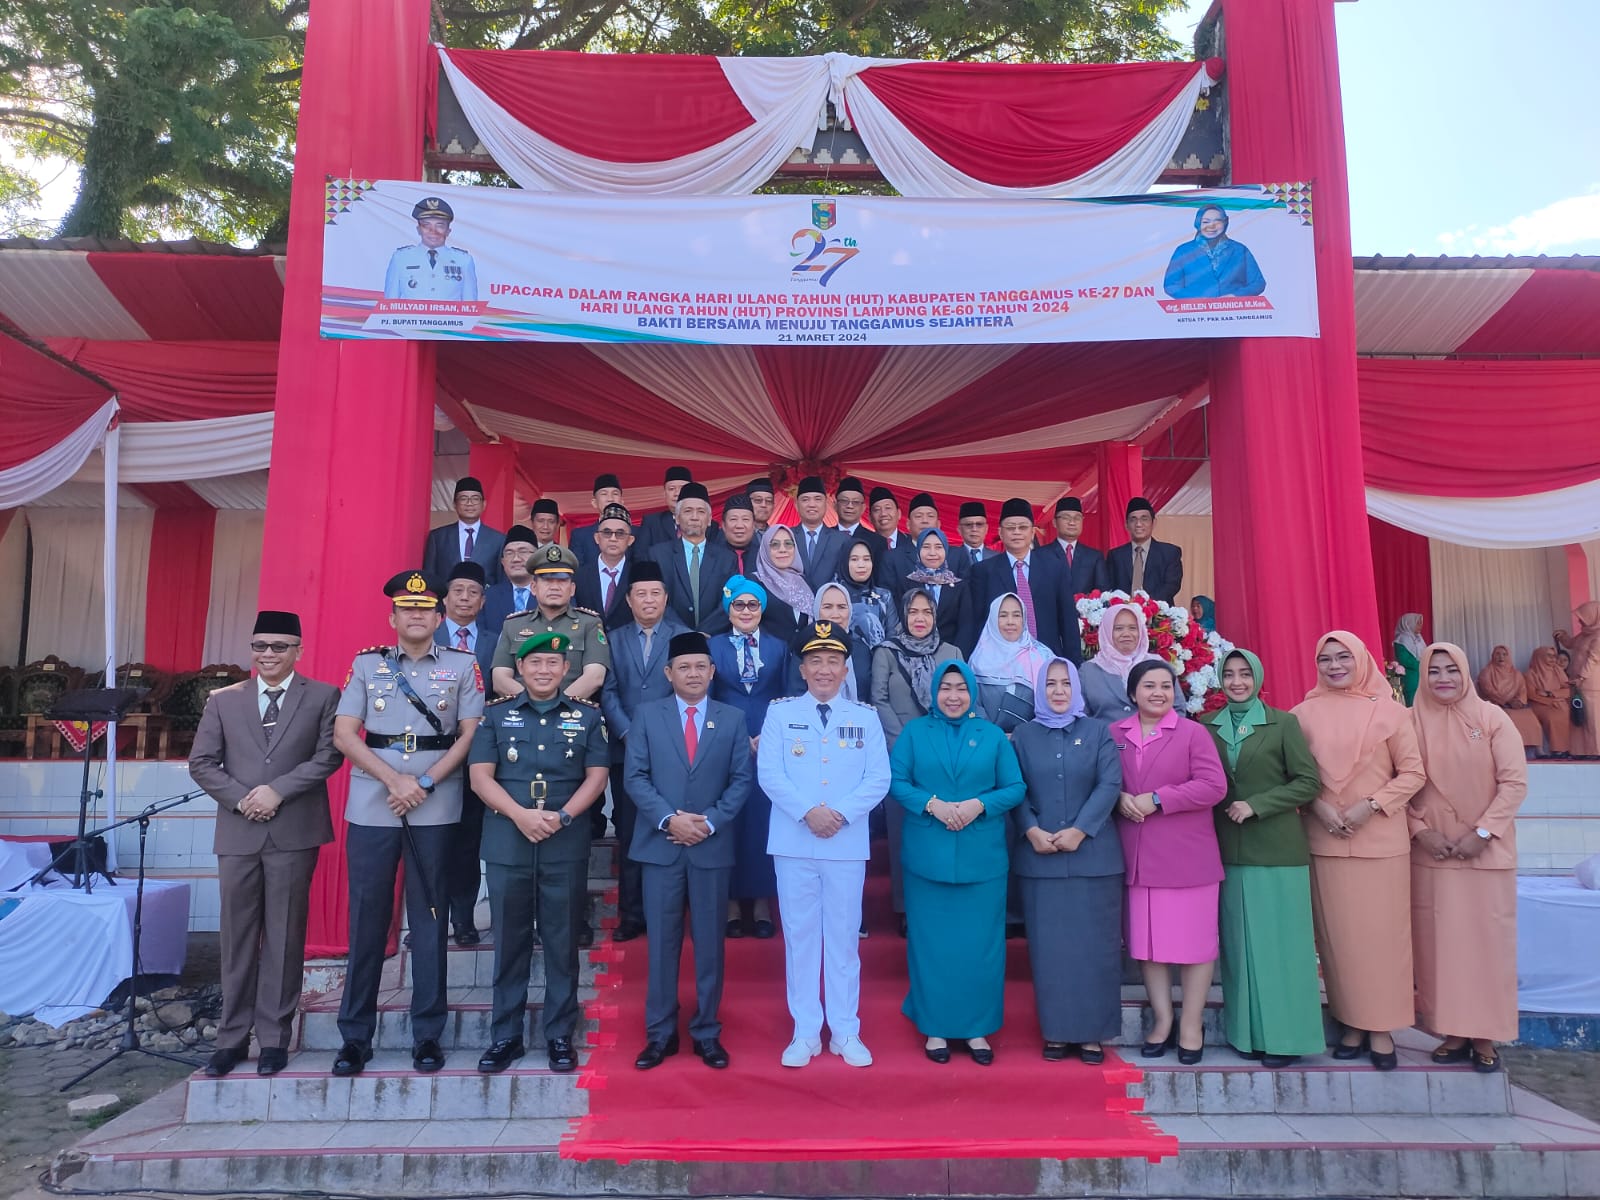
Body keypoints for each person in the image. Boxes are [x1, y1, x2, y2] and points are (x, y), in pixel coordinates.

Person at [330, 571, 485, 1077]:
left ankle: (427, 1035)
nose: (416, 615)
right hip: (375, 801)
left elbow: (468, 736)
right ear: (392, 617)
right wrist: (395, 780)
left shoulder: (463, 666)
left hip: (434, 804)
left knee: (430, 921)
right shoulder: (365, 664)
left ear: (440, 618)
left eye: (426, 608)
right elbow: (345, 734)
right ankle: (355, 1037)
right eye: (406, 608)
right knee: (368, 920)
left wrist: (424, 784)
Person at [189, 610, 342, 1077]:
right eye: (260, 646)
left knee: (284, 934)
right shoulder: (223, 700)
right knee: (236, 938)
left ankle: (274, 1037)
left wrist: (279, 790)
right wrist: (242, 799)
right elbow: (202, 762)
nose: (268, 655)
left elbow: (330, 754)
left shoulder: (322, 696)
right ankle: (231, 1039)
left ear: (298, 650)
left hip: (294, 831)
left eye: (279, 646)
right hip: (238, 832)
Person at [469, 632, 608, 1074]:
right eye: (535, 664)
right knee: (508, 940)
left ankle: (559, 1035)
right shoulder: (496, 716)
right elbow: (480, 777)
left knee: (561, 940)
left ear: (566, 670)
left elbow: (597, 776)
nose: (544, 671)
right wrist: (520, 816)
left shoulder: (587, 718)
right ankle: (505, 1035)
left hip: (564, 839)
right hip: (509, 837)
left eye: (552, 663)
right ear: (520, 671)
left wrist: (563, 816)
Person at [757, 621, 890, 1069]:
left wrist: (840, 814)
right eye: (816, 661)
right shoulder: (779, 714)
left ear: (846, 667)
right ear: (802, 668)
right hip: (794, 841)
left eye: (833, 661)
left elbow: (879, 779)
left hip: (846, 843)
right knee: (800, 938)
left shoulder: (865, 717)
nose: (825, 670)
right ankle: (806, 1031)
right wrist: (808, 812)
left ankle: (846, 1030)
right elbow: (770, 774)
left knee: (842, 939)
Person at [1292, 631, 1426, 1071]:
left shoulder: (1390, 712)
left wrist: (1372, 806)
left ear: (1361, 660)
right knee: (1338, 941)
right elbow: (1293, 773)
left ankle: (1382, 1026)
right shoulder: (1301, 715)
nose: (1334, 666)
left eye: (1343, 657)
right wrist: (1318, 806)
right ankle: (1350, 1022)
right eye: (1325, 658)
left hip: (1380, 843)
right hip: (1325, 840)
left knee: (1382, 941)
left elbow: (1412, 774)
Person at [625, 631, 753, 1071]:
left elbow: (741, 780)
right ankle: (659, 1035)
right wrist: (669, 819)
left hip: (710, 846)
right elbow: (635, 777)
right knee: (661, 945)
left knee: (710, 945)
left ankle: (706, 1032)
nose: (693, 674)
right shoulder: (646, 715)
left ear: (712, 671)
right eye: (684, 667)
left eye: (701, 666)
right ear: (668, 673)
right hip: (661, 845)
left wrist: (710, 822)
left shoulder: (732, 718)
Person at [889, 659, 1025, 1065]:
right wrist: (930, 804)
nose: (953, 696)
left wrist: (979, 804)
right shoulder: (915, 732)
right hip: (927, 858)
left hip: (982, 861)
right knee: (932, 947)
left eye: (960, 688)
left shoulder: (992, 736)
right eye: (945, 688)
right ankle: (934, 1028)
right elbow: (896, 782)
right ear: (934, 693)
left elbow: (1015, 787)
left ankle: (978, 1029)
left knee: (981, 948)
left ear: (972, 693)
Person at [1201, 649, 1325, 1067]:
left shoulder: (1283, 723)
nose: (1237, 681)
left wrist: (1259, 804)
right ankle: (1246, 1034)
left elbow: (1308, 781)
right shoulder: (1205, 726)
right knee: (1240, 949)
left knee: (1280, 949)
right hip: (1226, 851)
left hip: (1275, 850)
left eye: (1244, 674)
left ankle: (1285, 1038)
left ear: (1257, 677)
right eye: (1229, 674)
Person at [1409, 642, 1527, 1075]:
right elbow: (1397, 784)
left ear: (1464, 674)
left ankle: (1485, 1034)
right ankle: (1452, 1030)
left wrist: (1483, 832)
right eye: (1434, 670)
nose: (1443, 678)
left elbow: (1513, 783)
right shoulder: (1409, 722)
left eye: (1451, 670)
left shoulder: (1493, 718)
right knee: (1441, 948)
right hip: (1434, 854)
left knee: (1485, 945)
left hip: (1485, 853)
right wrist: (1420, 832)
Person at [1111, 660, 1228, 1064]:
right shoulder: (1115, 735)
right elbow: (1103, 781)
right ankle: (1162, 1020)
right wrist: (1118, 798)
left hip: (1187, 858)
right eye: (1148, 686)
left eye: (1165, 685)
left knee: (1194, 947)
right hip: (1139, 859)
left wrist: (1159, 799)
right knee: (1149, 946)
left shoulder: (1193, 733)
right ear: (1132, 693)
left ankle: (1191, 1024)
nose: (1157, 692)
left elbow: (1214, 786)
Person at [1011, 658, 1123, 1063]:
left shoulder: (1098, 732)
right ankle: (1057, 1032)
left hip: (1094, 858)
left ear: (1076, 689)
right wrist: (1030, 828)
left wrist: (1081, 829)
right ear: (1040, 690)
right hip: (1040, 859)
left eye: (1065, 684)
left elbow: (1110, 782)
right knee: (1052, 951)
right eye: (1051, 684)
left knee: (1096, 950)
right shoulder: (1024, 735)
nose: (1058, 691)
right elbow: (1013, 786)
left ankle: (1092, 1034)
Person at [598, 560, 687, 942]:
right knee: (631, 832)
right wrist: (629, 734)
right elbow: (608, 691)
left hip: (673, 753)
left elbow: (689, 690)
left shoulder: (684, 637)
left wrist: (658, 737)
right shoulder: (612, 639)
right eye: (641, 594)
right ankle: (632, 914)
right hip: (626, 751)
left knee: (672, 830)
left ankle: (671, 912)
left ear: (666, 599)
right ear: (629, 600)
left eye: (656, 593)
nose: (648, 600)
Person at [871, 588, 963, 934]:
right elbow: (878, 699)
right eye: (913, 612)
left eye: (927, 611)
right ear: (904, 616)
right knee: (904, 833)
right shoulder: (886, 652)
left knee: (942, 831)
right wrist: (905, 743)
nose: (920, 618)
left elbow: (962, 698)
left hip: (946, 754)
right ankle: (907, 908)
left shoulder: (951, 652)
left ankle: (943, 901)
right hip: (903, 754)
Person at [710, 576, 790, 939]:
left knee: (762, 822)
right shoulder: (712, 647)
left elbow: (787, 696)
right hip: (723, 743)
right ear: (729, 609)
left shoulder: (779, 647)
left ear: (762, 609)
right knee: (730, 820)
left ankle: (760, 901)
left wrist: (769, 736)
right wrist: (736, 737)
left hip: (768, 743)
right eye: (739, 605)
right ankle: (728, 903)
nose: (746, 611)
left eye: (752, 605)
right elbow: (706, 696)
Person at [434, 561, 497, 945]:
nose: (464, 597)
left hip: (478, 753)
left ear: (483, 600)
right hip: (433, 756)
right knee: (432, 843)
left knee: (467, 841)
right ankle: (431, 920)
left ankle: (464, 920)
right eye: (458, 590)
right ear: (445, 598)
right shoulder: (428, 634)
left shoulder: (496, 639)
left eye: (472, 592)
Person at [960, 498, 1081, 662]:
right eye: (1010, 528)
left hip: (1048, 660)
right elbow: (976, 622)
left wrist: (1073, 664)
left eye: (1023, 527)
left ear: (1032, 533)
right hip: (1000, 662)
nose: (1017, 532)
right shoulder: (983, 571)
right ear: (1001, 533)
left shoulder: (1055, 568)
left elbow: (1068, 621)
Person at [490, 545, 610, 706]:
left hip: (571, 717)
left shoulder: (589, 623)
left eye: (561, 580)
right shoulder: (513, 625)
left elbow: (594, 677)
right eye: (547, 580)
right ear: (533, 587)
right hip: (521, 717)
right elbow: (500, 678)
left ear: (572, 589)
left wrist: (556, 707)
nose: (554, 587)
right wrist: (532, 708)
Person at [650, 482, 736, 635]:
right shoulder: (658, 555)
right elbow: (657, 600)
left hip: (714, 638)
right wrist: (684, 632)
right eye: (688, 511)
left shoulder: (727, 558)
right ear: (677, 518)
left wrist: (703, 633)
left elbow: (730, 600)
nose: (695, 517)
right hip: (672, 638)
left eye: (701, 512)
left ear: (709, 519)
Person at [968, 592, 1055, 733]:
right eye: (1003, 615)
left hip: (1034, 740)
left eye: (1016, 615)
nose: (1010, 622)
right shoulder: (978, 659)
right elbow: (973, 707)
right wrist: (994, 737)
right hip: (988, 740)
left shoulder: (1043, 655)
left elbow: (1053, 703)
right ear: (992, 619)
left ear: (1024, 619)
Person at [1161, 204, 1266, 299]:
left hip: (1233, 313)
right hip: (1195, 315)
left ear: (1225, 222)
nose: (1211, 226)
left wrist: (1235, 296)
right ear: (1198, 224)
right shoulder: (1183, 251)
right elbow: (1171, 285)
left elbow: (1258, 282)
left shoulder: (1240, 250)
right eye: (1206, 222)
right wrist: (1196, 299)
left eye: (1217, 221)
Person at [384, 196, 478, 300]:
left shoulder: (464, 260)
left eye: (440, 226)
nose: (433, 231)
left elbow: (470, 306)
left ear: (448, 231)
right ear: (419, 229)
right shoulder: (401, 258)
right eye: (426, 225)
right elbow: (390, 303)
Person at [1080, 603, 1161, 722]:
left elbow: (1177, 708)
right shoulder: (1088, 671)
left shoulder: (1157, 665)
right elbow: (1081, 715)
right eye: (1118, 628)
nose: (1126, 634)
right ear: (1107, 631)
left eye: (1133, 628)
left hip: (1153, 738)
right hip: (1104, 739)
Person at [422, 476, 505, 586]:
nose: (469, 503)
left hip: (486, 601)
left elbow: (501, 580)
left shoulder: (498, 540)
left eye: (475, 498)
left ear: (484, 504)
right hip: (446, 601)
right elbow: (429, 577)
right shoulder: (437, 538)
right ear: (455, 504)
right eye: (463, 498)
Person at [1106, 497, 1183, 604]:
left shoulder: (1170, 553)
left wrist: (1145, 605)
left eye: (1144, 519)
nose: (1138, 524)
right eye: (1133, 519)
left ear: (1154, 522)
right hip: (1124, 615)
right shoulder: (1115, 555)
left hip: (1159, 615)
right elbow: (1109, 587)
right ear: (1126, 525)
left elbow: (1171, 585)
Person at [573, 502, 635, 630]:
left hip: (626, 646)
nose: (613, 538)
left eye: (620, 533)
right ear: (596, 538)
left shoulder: (638, 575)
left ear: (630, 540)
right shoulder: (579, 576)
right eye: (607, 533)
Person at [808, 581, 873, 700]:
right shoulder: (806, 649)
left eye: (842, 607)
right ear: (817, 610)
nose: (835, 614)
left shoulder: (861, 649)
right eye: (827, 607)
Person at [1477, 645, 1543, 755]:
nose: (1501, 657)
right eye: (1497, 654)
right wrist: (1506, 702)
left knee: (1530, 717)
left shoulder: (1516, 674)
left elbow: (1522, 690)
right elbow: (1489, 691)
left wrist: (1519, 701)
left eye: (1504, 654)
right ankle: (1515, 749)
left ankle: (1538, 750)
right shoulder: (1486, 673)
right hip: (1496, 704)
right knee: (1511, 717)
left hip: (1515, 705)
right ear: (1493, 656)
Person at [753, 524, 813, 642]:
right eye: (774, 545)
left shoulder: (805, 582)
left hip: (801, 656)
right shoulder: (755, 583)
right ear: (765, 548)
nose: (782, 549)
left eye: (788, 544)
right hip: (770, 656)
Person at [1039, 497, 1110, 597]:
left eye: (1077, 518)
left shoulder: (1094, 557)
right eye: (1066, 518)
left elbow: (1103, 593)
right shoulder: (1040, 555)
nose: (1072, 522)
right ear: (1054, 522)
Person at [836, 537, 896, 650]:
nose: (861, 565)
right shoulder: (834, 596)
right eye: (854, 559)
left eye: (866, 559)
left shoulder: (884, 597)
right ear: (844, 562)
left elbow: (893, 637)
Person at [906, 528, 963, 643]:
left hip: (949, 652)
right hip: (913, 651)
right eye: (926, 547)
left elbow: (966, 625)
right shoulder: (907, 583)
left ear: (946, 550)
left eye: (938, 547)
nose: (932, 553)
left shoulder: (959, 586)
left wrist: (956, 655)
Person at [793, 475, 849, 589]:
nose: (812, 504)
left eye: (818, 499)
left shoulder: (841, 540)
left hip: (830, 603)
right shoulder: (786, 536)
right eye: (805, 499)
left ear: (826, 504)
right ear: (796, 505)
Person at [480, 524, 537, 634]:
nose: (516, 559)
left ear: (537, 558)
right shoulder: (489, 597)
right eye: (509, 553)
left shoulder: (551, 593)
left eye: (523, 551)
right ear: (503, 562)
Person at [570, 473, 627, 568]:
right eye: (604, 494)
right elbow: (576, 572)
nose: (610, 499)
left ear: (622, 502)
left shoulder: (636, 533)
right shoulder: (580, 536)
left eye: (615, 494)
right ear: (594, 502)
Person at [1525, 645, 1573, 758]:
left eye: (1554, 656)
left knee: (1566, 713)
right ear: (1539, 657)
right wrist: (1550, 702)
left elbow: (1569, 689)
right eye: (1549, 656)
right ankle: (1557, 750)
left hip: (1557, 702)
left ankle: (1568, 749)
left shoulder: (1558, 671)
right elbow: (1532, 695)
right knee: (1553, 717)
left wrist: (1551, 694)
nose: (1553, 659)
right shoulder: (1531, 674)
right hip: (1539, 705)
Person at [636, 465, 694, 554]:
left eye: (682, 488)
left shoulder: (707, 525)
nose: (677, 493)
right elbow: (641, 557)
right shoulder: (652, 522)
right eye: (671, 489)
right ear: (664, 494)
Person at [1570, 603, 1600, 759]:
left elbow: (1593, 659)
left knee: (1593, 720)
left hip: (1591, 684)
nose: (1580, 622)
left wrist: (1581, 677)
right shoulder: (1584, 635)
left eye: (1582, 618)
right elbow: (1570, 644)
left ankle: (1596, 751)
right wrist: (1562, 637)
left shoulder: (1598, 636)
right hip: (1577, 683)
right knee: (1579, 717)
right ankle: (1580, 751)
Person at [833, 476, 887, 556]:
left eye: (856, 502)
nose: (850, 506)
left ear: (863, 508)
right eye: (844, 501)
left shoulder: (877, 541)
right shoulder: (822, 537)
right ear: (835, 506)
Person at [720, 493, 760, 576]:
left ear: (753, 525)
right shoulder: (710, 556)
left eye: (745, 519)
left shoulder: (763, 557)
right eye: (733, 519)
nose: (739, 526)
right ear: (723, 525)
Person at [1392, 613, 1426, 706]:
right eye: (1418, 623)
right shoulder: (1401, 639)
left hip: (1421, 675)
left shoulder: (1418, 638)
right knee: (1412, 704)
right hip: (1410, 677)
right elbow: (1404, 659)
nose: (1420, 626)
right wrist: (1421, 664)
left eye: (1421, 623)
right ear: (1409, 623)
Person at [952, 501, 991, 577]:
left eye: (979, 524)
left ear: (986, 529)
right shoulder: (951, 558)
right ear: (959, 529)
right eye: (968, 525)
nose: (974, 529)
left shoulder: (997, 558)